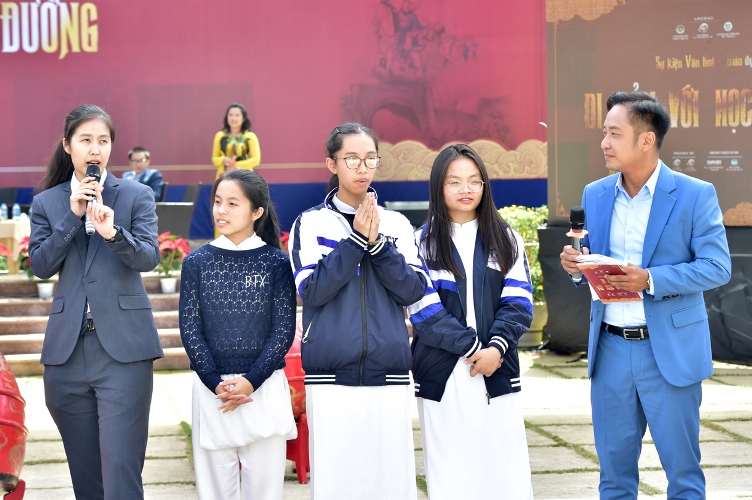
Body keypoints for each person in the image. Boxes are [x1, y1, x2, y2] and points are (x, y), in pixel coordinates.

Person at [560, 91, 731, 499]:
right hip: (610, 350)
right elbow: (591, 262)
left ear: (646, 140)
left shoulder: (694, 194)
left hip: (668, 350)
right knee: (614, 478)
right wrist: (577, 268)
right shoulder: (595, 193)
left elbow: (717, 266)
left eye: (614, 134)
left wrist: (650, 279)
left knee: (683, 477)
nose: (604, 143)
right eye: (604, 133)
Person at [29, 104, 163, 499]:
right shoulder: (47, 202)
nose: (95, 149)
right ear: (67, 145)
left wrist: (113, 233)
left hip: (124, 349)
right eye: (85, 139)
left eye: (103, 141)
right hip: (67, 352)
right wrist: (72, 217)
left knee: (120, 471)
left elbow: (149, 257)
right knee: (86, 479)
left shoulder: (136, 195)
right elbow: (40, 266)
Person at [289, 123, 427, 500]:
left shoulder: (396, 224)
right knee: (337, 481)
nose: (362, 168)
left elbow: (413, 289)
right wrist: (353, 242)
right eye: (351, 159)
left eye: (370, 159)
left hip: (389, 369)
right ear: (332, 164)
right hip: (330, 372)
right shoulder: (310, 223)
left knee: (391, 480)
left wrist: (378, 244)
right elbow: (312, 290)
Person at [407, 144, 534, 499]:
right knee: (450, 470)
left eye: (474, 181)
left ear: (484, 185)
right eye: (455, 182)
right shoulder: (421, 243)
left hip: (497, 367)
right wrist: (476, 349)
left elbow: (519, 302)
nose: (466, 189)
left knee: (504, 468)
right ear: (438, 187)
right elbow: (425, 313)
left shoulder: (506, 239)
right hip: (442, 371)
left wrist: (496, 349)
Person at [179, 169, 297, 499]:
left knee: (266, 492)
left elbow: (283, 330)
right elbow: (190, 328)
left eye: (233, 203)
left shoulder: (276, 263)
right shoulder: (196, 262)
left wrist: (252, 380)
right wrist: (213, 381)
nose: (221, 210)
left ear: (257, 211)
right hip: (212, 393)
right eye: (218, 202)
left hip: (263, 388)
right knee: (214, 492)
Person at [211, 102, 261, 178]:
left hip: (244, 177)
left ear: (243, 118)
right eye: (231, 115)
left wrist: (235, 165)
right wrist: (223, 159)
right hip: (223, 176)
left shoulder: (250, 136)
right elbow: (214, 159)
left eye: (237, 115)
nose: (233, 118)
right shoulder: (220, 135)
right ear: (227, 117)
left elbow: (256, 160)